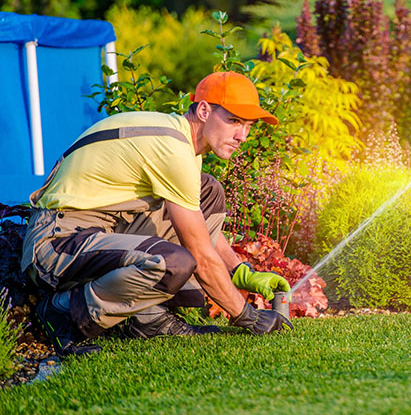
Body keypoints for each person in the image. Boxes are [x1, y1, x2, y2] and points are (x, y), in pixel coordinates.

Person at [21, 71, 293, 357]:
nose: (242, 136)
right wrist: (246, 316)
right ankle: (64, 313)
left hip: (98, 233)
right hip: (56, 245)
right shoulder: (172, 149)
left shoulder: (181, 142)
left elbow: (199, 231)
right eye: (234, 121)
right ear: (203, 110)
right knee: (173, 265)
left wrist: (239, 272)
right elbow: (199, 254)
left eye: (248, 125)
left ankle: (148, 320)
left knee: (208, 191)